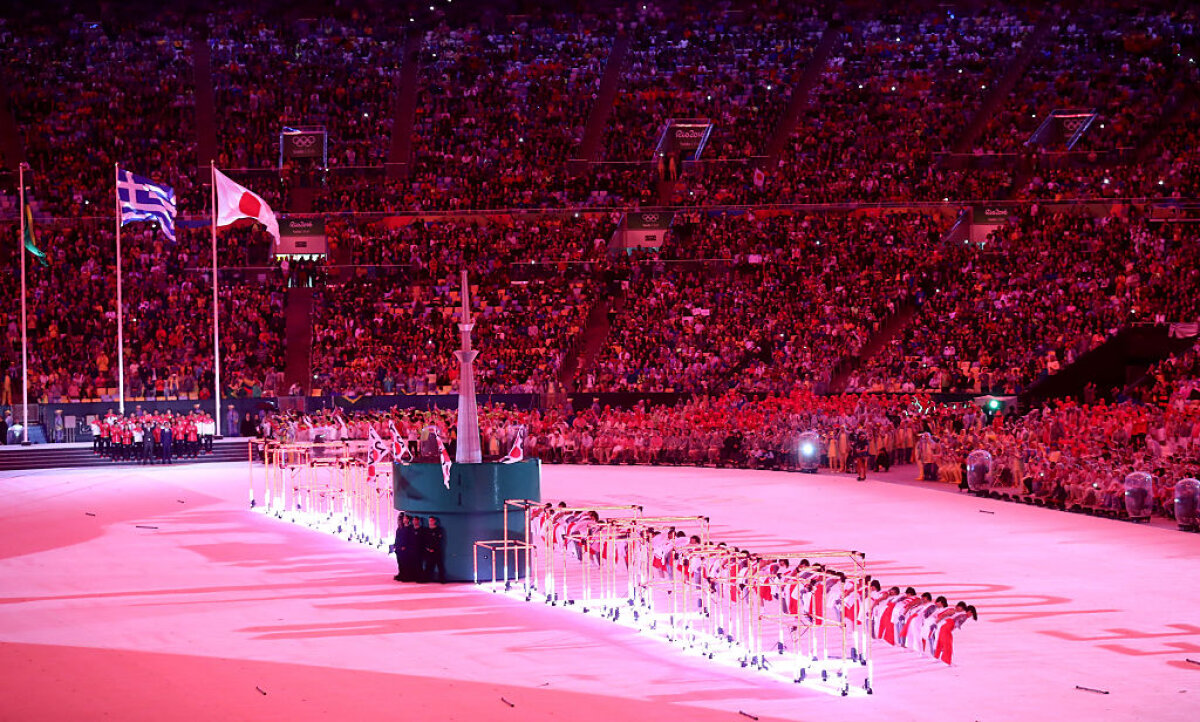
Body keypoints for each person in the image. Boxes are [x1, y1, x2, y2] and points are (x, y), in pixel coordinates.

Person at [421, 516, 447, 583]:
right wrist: (428, 548)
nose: (431, 521)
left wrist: (434, 548)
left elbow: (439, 540)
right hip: (429, 551)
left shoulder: (439, 530)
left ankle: (442, 579)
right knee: (428, 565)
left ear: (435, 521)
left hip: (437, 551)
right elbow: (424, 541)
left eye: (432, 520)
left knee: (440, 565)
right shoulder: (426, 530)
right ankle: (426, 579)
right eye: (430, 520)